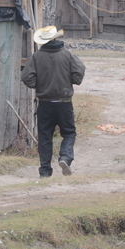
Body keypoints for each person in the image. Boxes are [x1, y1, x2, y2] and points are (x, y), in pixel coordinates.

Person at [21, 26, 86, 178]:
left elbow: (26, 78)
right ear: (56, 38)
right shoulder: (68, 55)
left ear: (42, 41)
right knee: (69, 133)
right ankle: (65, 158)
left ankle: (45, 171)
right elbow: (78, 74)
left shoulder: (36, 57)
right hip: (64, 102)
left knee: (45, 136)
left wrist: (39, 85)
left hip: (45, 103)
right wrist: (68, 80)